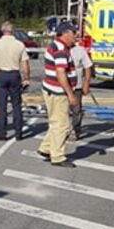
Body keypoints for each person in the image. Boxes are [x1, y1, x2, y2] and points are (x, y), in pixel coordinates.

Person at [36, 22, 77, 167]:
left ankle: (46, 148)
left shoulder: (55, 46)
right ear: (65, 33)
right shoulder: (60, 50)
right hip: (58, 92)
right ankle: (58, 156)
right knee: (62, 125)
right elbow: (61, 73)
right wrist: (71, 94)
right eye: (73, 33)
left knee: (55, 122)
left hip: (50, 89)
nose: (75, 37)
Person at [0, 21, 30, 140]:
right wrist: (26, 78)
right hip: (14, 74)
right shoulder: (19, 44)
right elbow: (25, 63)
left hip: (1, 74)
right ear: (13, 31)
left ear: (2, 31)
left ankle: (2, 132)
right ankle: (19, 133)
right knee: (16, 105)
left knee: (1, 105)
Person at [69, 34, 93, 140]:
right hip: (61, 86)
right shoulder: (59, 50)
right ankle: (64, 130)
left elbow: (88, 67)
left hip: (77, 86)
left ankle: (76, 130)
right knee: (62, 110)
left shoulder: (80, 50)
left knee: (76, 109)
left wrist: (86, 83)